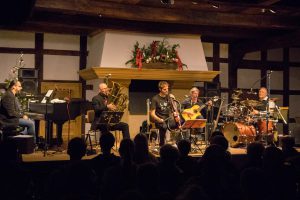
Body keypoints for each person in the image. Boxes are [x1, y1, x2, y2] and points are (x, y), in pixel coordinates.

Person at [150, 81, 176, 147]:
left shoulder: (169, 97)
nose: (167, 90)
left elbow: (174, 109)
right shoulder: (155, 99)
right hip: (159, 120)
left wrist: (174, 100)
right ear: (160, 89)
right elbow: (152, 114)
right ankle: (162, 144)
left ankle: (174, 143)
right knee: (164, 126)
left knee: (179, 124)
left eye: (167, 89)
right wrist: (159, 119)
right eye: (165, 89)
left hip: (168, 119)